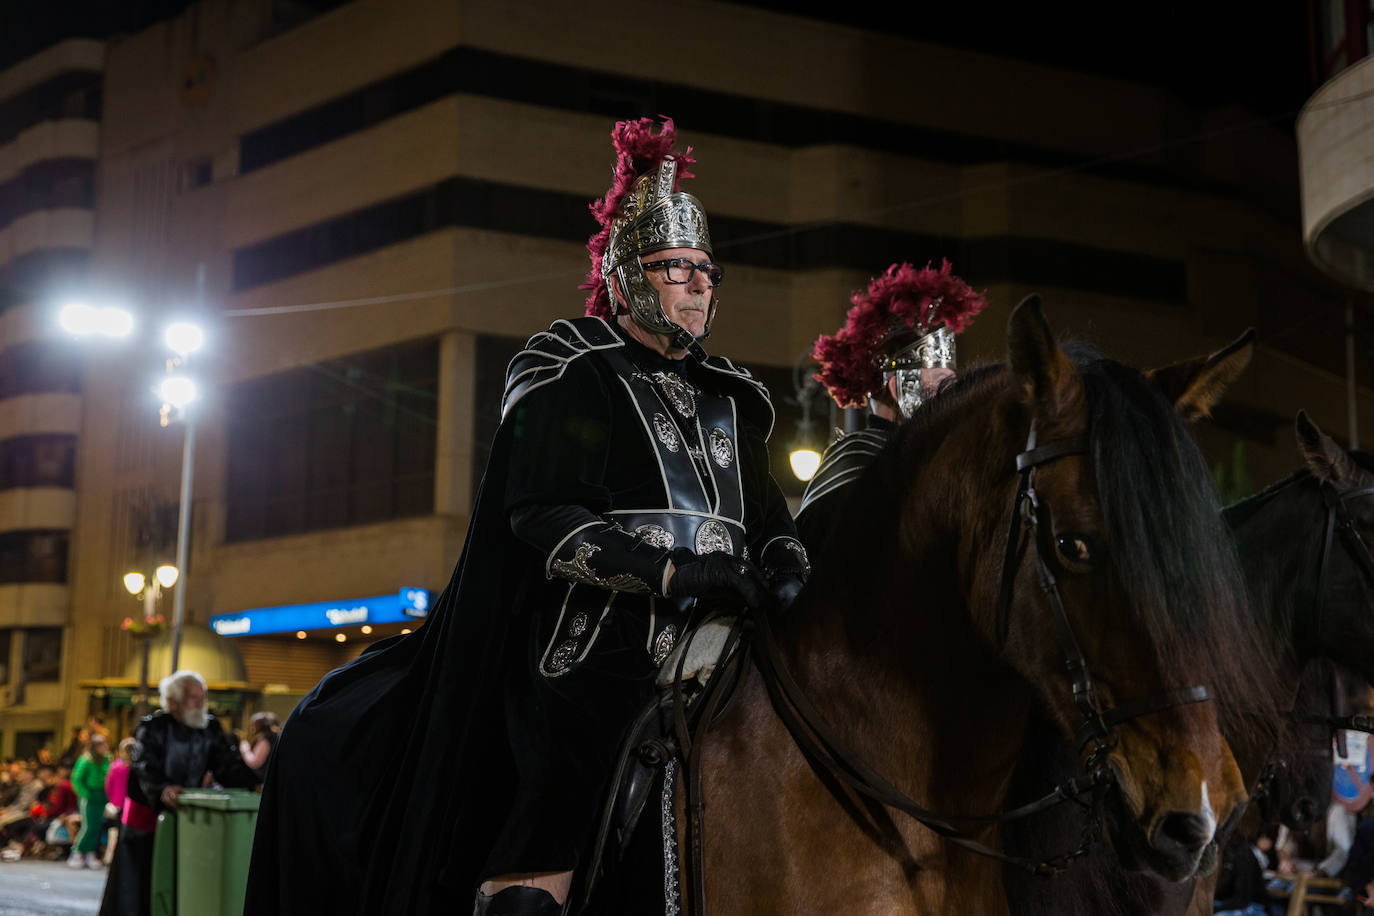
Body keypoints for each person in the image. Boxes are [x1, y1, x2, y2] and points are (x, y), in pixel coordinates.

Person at [246, 116, 810, 916]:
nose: (695, 282)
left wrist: (787, 565)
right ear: (627, 275)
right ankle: (527, 890)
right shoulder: (569, 365)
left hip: (726, 623)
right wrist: (676, 569)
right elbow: (545, 514)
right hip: (595, 630)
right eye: (673, 266)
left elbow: (769, 511)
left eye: (703, 269)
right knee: (573, 750)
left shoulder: (730, 396)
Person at [795, 261, 987, 550]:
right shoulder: (857, 464)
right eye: (941, 382)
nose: (953, 395)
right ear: (900, 388)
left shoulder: (928, 459)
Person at [99, 670, 258, 916]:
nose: (201, 704)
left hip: (185, 821)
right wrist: (162, 788)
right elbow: (144, 766)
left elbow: (227, 765)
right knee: (136, 891)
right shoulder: (153, 727)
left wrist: (255, 783)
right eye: (194, 698)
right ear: (173, 702)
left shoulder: (210, 728)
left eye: (203, 697)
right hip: (146, 822)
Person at [71, 733, 111, 868]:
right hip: (89, 796)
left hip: (102, 795)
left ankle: (90, 854)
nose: (104, 747)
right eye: (101, 745)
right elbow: (76, 779)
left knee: (97, 827)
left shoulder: (106, 759)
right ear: (94, 746)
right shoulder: (85, 760)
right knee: (88, 826)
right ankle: (77, 853)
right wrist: (86, 794)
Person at [102, 738, 136, 866]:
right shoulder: (135, 767)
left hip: (119, 804)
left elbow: (108, 786)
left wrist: (112, 800)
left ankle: (113, 857)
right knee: (124, 832)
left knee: (117, 831)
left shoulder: (115, 766)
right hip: (129, 805)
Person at [238, 711, 279, 783]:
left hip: (263, 779)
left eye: (253, 724)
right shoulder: (273, 737)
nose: (251, 728)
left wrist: (245, 748)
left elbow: (255, 762)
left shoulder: (265, 740)